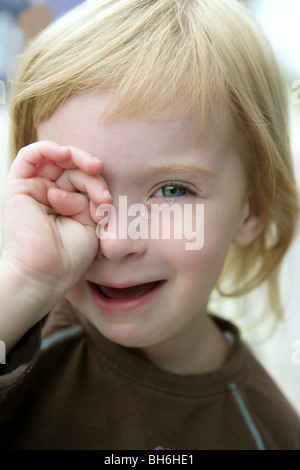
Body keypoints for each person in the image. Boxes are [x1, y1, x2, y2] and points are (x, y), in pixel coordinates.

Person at [0, 0, 299, 450]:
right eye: (80, 189)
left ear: (250, 211)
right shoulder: (17, 339)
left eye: (174, 191)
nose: (117, 241)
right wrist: (21, 283)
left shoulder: (267, 432)